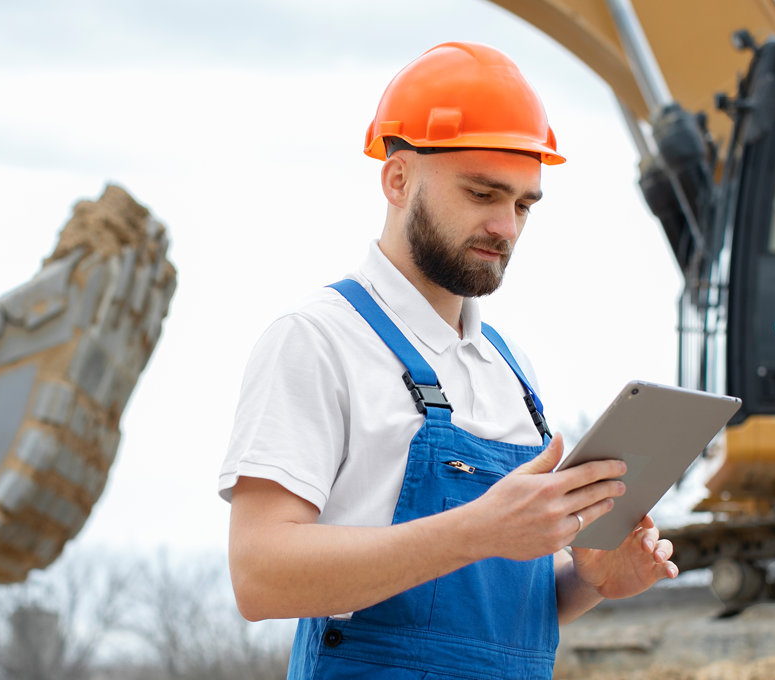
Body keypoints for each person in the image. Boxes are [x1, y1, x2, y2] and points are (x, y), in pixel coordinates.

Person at [218, 42, 678, 680]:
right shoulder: (318, 340)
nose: (507, 227)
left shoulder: (510, 372)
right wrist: (477, 531)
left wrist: (588, 580)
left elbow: (488, 614)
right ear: (398, 178)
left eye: (522, 204)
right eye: (482, 193)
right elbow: (259, 575)